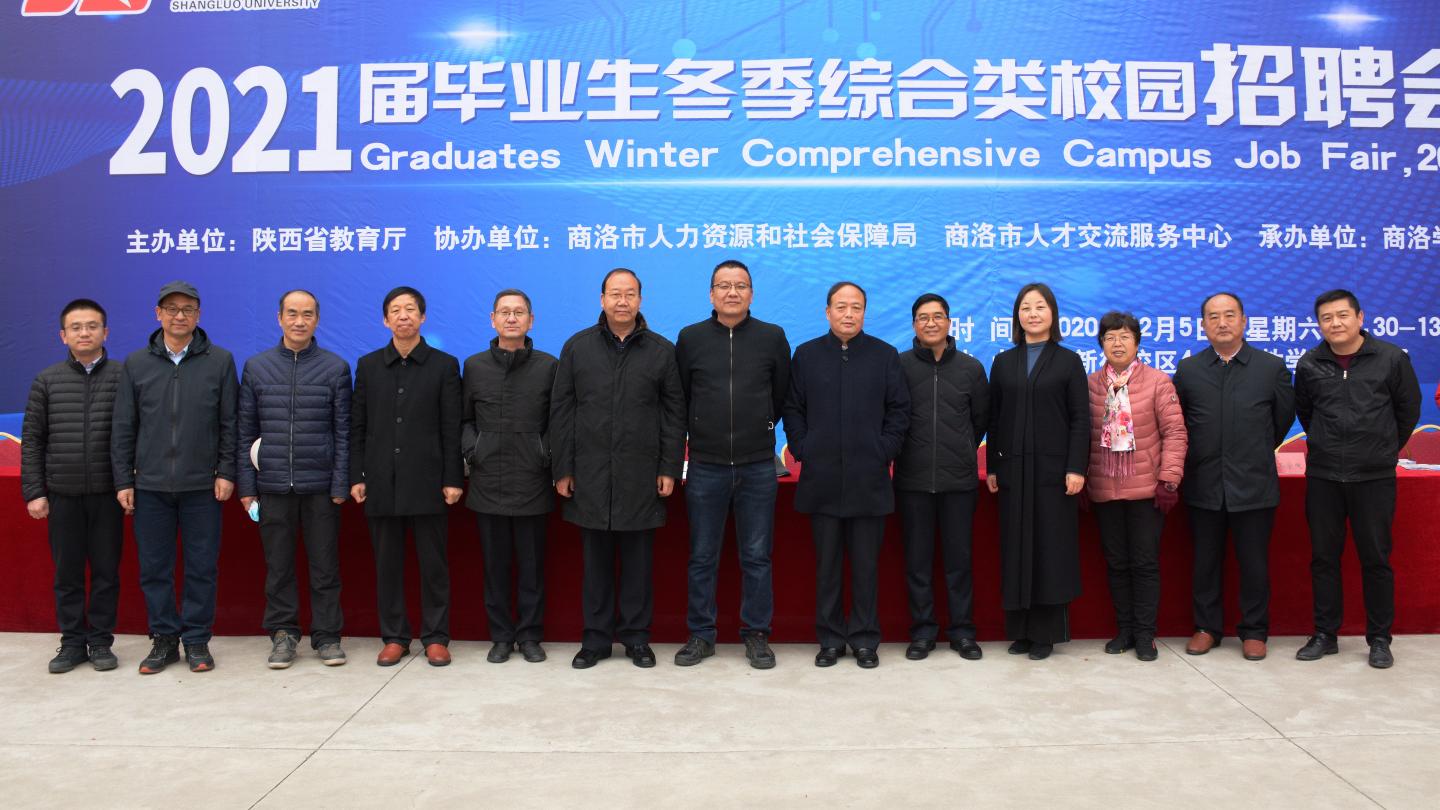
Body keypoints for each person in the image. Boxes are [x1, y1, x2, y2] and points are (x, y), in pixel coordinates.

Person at [551, 268, 685, 669]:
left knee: (638, 567)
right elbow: (562, 411)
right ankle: (594, 640)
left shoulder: (661, 351)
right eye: (615, 294)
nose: (622, 301)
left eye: (629, 294)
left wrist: (669, 466)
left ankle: (636, 639)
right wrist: (563, 468)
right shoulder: (578, 347)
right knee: (595, 568)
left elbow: (674, 414)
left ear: (640, 300)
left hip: (641, 475)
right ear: (602, 299)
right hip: (589, 474)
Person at [112, 281, 238, 674]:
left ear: (198, 315)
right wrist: (123, 480)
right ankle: (164, 639)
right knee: (155, 568)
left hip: (202, 486)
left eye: (187, 309)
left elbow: (230, 423)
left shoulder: (220, 361)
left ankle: (197, 640)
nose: (179, 316)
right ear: (158, 314)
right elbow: (124, 426)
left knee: (202, 567)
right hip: (149, 486)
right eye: (171, 308)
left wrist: (226, 471)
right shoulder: (137, 364)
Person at [784, 281, 910, 669]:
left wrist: (883, 450)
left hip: (868, 479)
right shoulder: (806, 355)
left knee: (866, 568)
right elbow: (793, 407)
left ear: (865, 313)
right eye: (841, 307)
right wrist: (803, 447)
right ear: (827, 312)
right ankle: (830, 639)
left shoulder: (884, 355)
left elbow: (899, 411)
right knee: (827, 568)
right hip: (821, 479)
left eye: (856, 307)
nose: (849, 314)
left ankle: (865, 639)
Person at [673, 260, 791, 669]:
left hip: (758, 464)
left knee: (756, 556)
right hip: (706, 465)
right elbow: (681, 397)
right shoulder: (690, 338)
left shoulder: (772, 337)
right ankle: (701, 635)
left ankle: (756, 634)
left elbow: (780, 394)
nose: (732, 292)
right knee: (702, 556)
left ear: (751, 294)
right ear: (711, 294)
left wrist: (761, 426)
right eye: (724, 285)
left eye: (740, 285)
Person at [1294, 289, 1420, 669]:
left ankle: (1379, 639)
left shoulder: (1391, 359)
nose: (1335, 323)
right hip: (1324, 476)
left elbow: (1408, 411)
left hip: (1373, 477)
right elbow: (1306, 413)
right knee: (1323, 558)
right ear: (1319, 324)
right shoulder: (1310, 363)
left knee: (1376, 559)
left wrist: (1381, 449)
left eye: (1342, 315)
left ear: (1360, 318)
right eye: (1326, 318)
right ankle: (1325, 634)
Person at [1172, 292, 1294, 662]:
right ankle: (1206, 627)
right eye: (1213, 317)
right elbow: (1180, 424)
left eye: (1229, 315)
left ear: (1244, 321)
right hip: (1203, 482)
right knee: (1205, 562)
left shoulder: (1270, 368)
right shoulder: (1189, 371)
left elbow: (1281, 421)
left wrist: (1251, 451)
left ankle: (1254, 631)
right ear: (1203, 325)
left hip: (1253, 483)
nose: (1222, 323)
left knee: (1254, 563)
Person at [238, 290, 352, 669]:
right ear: (279, 318)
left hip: (320, 487)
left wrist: (340, 484)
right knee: (279, 568)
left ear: (317, 320)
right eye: (292, 313)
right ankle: (283, 634)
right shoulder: (257, 367)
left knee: (325, 567)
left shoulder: (335, 368)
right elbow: (245, 432)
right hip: (272, 487)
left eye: (307, 314)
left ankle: (327, 636)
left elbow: (343, 432)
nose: (299, 321)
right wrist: (247, 487)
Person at [351, 286, 463, 667]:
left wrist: (453, 478)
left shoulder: (444, 366)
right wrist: (357, 475)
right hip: (381, 481)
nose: (404, 316)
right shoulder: (368, 366)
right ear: (385, 320)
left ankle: (436, 636)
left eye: (411, 309)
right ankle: (395, 636)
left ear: (423, 317)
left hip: (428, 481)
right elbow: (357, 425)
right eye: (396, 310)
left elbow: (451, 428)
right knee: (388, 566)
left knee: (434, 566)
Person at [986, 283, 1088, 660]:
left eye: (1040, 306)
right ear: (1017, 316)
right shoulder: (1003, 362)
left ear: (1052, 314)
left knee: (1049, 549)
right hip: (1013, 472)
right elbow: (994, 419)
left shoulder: (1068, 361)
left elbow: (1080, 419)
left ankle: (1045, 634)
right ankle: (1021, 632)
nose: (1032, 313)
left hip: (1053, 474)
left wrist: (1075, 467)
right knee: (1016, 548)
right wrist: (993, 466)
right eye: (1025, 307)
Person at [22, 299, 124, 673]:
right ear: (63, 335)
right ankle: (71, 643)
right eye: (76, 327)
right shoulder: (47, 381)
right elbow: (33, 441)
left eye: (92, 326)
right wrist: (35, 491)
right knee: (67, 573)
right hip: (62, 494)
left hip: (108, 495)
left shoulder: (123, 377)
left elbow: (133, 435)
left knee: (106, 572)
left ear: (105, 332)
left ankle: (100, 642)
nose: (85, 333)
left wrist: (128, 484)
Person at [1085, 311, 1188, 662]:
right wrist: (1081, 477)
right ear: (1101, 344)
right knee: (1116, 564)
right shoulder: (1090, 385)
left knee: (1144, 564)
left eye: (1125, 336)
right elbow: (1080, 434)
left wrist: (1169, 479)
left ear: (1137, 343)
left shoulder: (1158, 382)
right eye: (1110, 337)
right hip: (1105, 489)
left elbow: (1175, 432)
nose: (1117, 343)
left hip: (1146, 491)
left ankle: (1145, 634)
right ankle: (1125, 630)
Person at [461, 288, 557, 665]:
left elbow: (558, 421)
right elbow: (464, 420)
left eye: (519, 312)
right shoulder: (474, 366)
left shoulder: (549, 366)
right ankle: (501, 636)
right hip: (488, 480)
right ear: (493, 319)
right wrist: (474, 450)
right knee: (495, 568)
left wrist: (544, 452)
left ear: (531, 320)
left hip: (532, 479)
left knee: (532, 569)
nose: (512, 318)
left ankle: (530, 636)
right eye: (505, 312)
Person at [894, 293, 988, 661]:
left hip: (959, 482)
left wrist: (960, 449)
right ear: (914, 324)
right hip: (912, 481)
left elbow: (980, 421)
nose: (930, 323)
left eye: (937, 316)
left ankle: (963, 632)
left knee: (958, 563)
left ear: (949, 323)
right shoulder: (899, 366)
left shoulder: (971, 368)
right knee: (917, 562)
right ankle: (923, 632)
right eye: (923, 317)